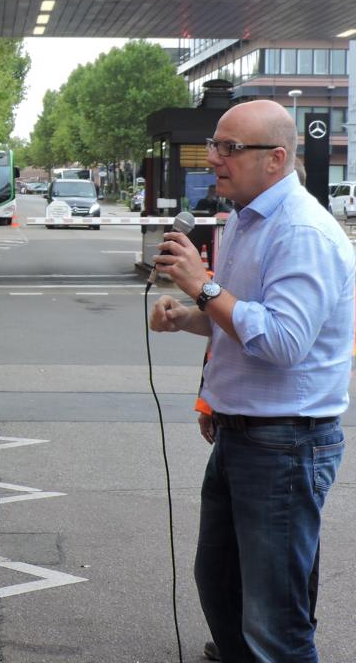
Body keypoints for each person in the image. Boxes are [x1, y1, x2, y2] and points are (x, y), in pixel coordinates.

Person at [150, 100, 352, 663]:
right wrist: (190, 316)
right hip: (242, 432)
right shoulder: (242, 217)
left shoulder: (303, 233)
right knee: (220, 583)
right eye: (215, 144)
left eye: (230, 148)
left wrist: (203, 289)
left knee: (274, 621)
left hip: (285, 443)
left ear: (276, 159)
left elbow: (285, 342)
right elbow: (242, 320)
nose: (214, 157)